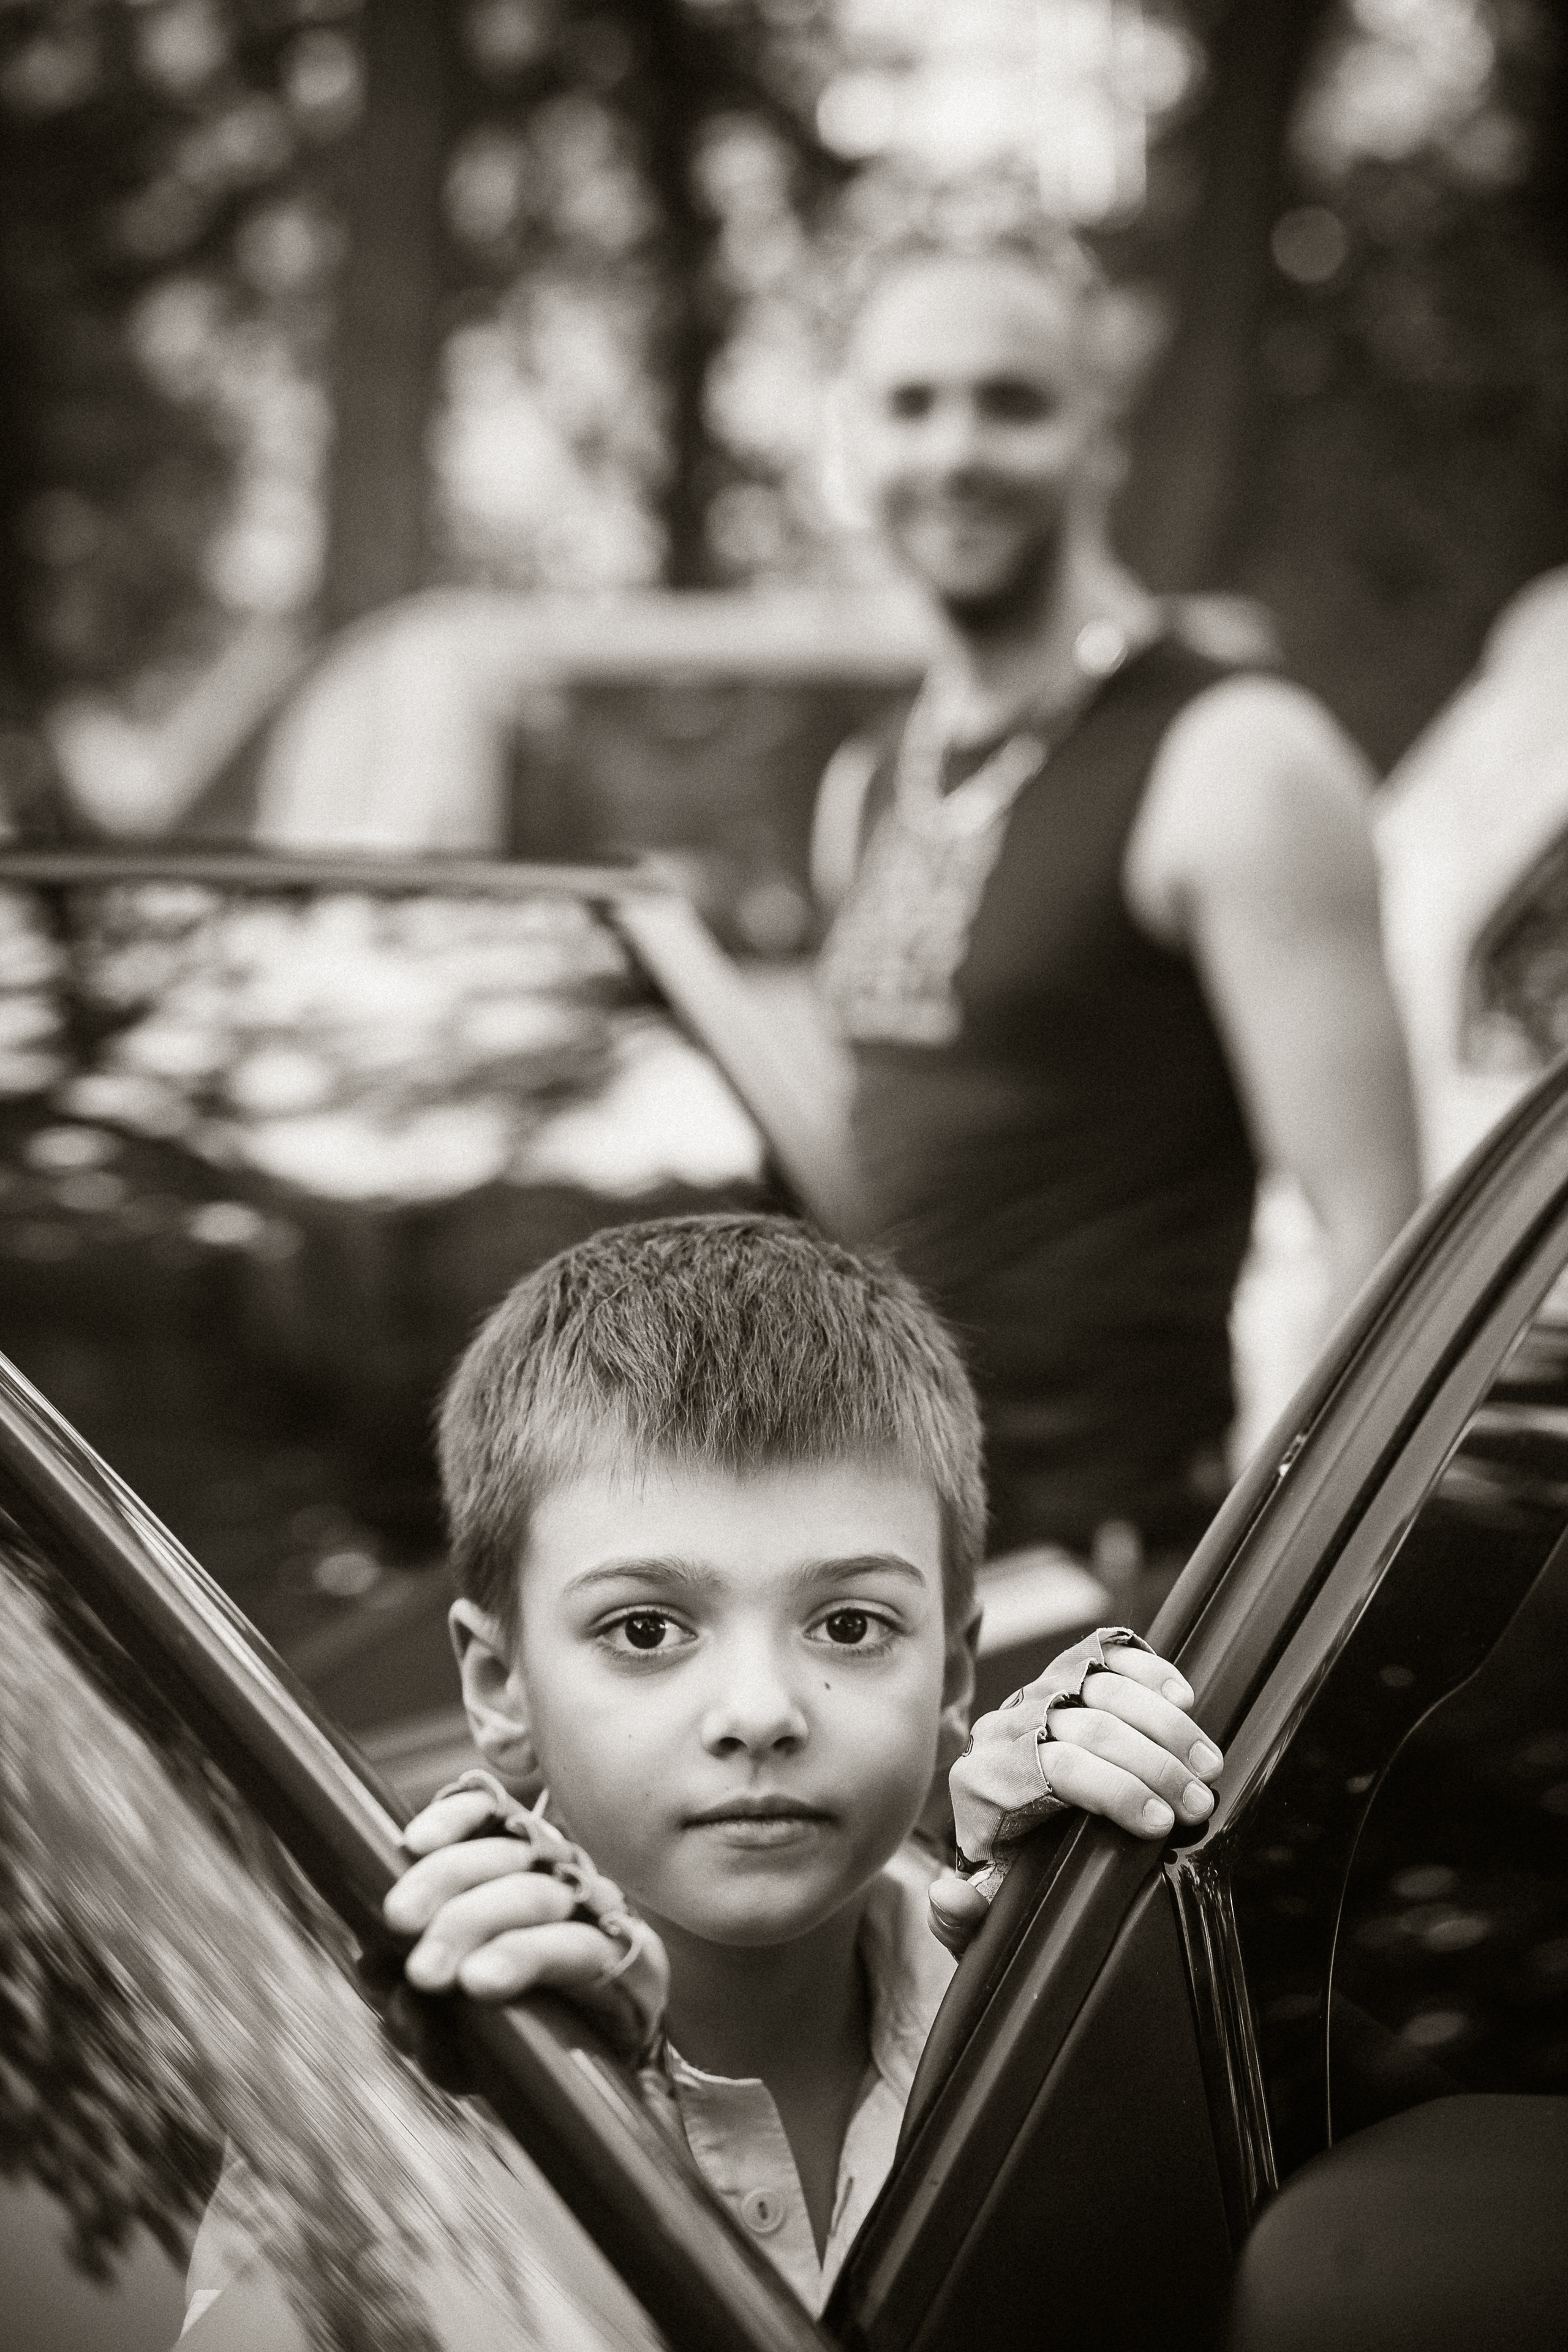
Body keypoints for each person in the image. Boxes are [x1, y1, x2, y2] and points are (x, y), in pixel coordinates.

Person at [354, 1213, 1225, 2320]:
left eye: (851, 1627)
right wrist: (529, 2127)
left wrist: (1081, 1930)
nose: (760, 1714)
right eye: (645, 1631)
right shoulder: (399, 2081)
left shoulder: (1046, 1972)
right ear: (499, 1687)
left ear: (954, 1670)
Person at [811, 194, 1420, 1596]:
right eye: (909, 405)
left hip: (1104, 1592)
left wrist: (1233, 1613)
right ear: (851, 438)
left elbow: (1371, 1246)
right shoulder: (861, 785)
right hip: (880, 1593)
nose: (953, 451)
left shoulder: (1235, 757)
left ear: (1098, 432)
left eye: (1009, 404)